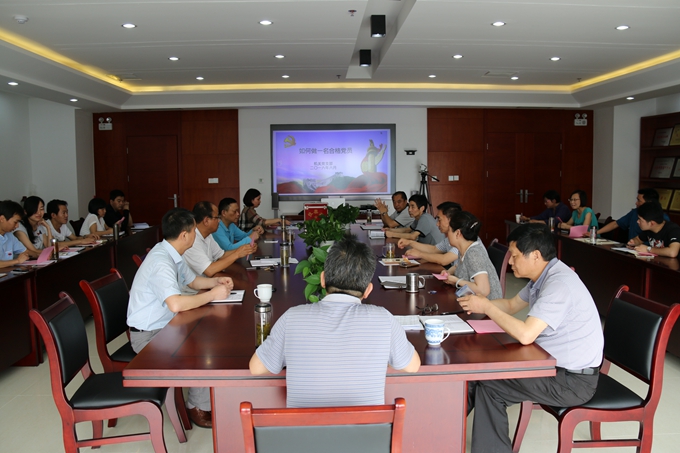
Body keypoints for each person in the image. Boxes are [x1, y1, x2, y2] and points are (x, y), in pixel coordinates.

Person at [459, 223, 603, 453]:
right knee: (482, 376)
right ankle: (441, 432)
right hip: (550, 365)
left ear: (535, 255)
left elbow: (526, 334)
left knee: (489, 384)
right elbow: (510, 305)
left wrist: (486, 306)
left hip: (571, 381)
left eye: (515, 256)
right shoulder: (543, 277)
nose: (511, 262)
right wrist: (477, 304)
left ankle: (442, 433)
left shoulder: (559, 284)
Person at [249, 235, 420, 408]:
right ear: (368, 290)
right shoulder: (383, 319)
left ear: (322, 279)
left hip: (304, 427)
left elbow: (256, 368)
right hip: (367, 427)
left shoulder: (292, 318)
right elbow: (412, 366)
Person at [127, 207, 234, 428]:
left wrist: (215, 282)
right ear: (184, 235)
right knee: (202, 347)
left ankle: (207, 396)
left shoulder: (172, 253)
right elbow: (175, 303)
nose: (196, 235)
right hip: (149, 336)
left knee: (208, 334)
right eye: (194, 231)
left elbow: (192, 281)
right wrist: (212, 295)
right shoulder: (161, 261)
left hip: (166, 325)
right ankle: (197, 406)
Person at [440, 210, 503, 299]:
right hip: (470, 298)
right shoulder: (463, 249)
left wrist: (456, 281)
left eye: (449, 231)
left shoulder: (474, 253)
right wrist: (448, 273)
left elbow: (483, 290)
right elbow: (459, 266)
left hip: (486, 304)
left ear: (458, 233)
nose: (447, 235)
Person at [184, 201, 256, 277]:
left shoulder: (208, 235)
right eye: (217, 218)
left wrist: (244, 249)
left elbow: (221, 255)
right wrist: (237, 254)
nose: (219, 221)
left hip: (210, 280)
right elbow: (209, 270)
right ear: (206, 221)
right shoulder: (191, 240)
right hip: (199, 284)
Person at [397, 201, 462, 268]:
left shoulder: (461, 239)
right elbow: (434, 249)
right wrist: (410, 242)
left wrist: (420, 254)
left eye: (439, 219)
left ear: (450, 219)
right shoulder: (448, 240)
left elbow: (444, 260)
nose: (437, 224)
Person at [596, 188, 669, 241]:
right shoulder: (634, 212)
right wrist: (595, 233)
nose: (636, 203)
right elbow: (616, 224)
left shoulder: (662, 218)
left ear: (649, 202)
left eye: (639, 200)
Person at [0, 200, 30, 268]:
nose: (17, 226)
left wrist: (24, 256)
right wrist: (17, 261)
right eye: (15, 222)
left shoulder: (9, 235)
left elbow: (25, 251)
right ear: (2, 219)